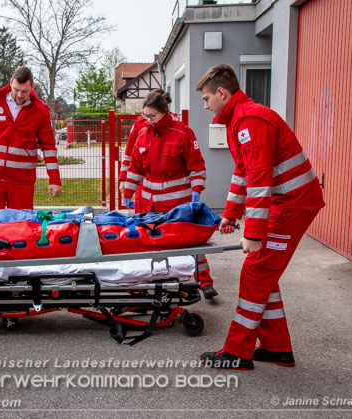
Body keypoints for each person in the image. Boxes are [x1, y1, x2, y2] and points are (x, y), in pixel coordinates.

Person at [196, 64, 325, 370]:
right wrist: (230, 215)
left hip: (292, 206)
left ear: (221, 93)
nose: (205, 105)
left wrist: (252, 233)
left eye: (206, 98)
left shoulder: (249, 120)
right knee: (264, 275)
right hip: (286, 203)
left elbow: (259, 178)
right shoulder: (238, 121)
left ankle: (238, 352)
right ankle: (278, 349)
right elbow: (242, 172)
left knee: (255, 273)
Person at [123, 90, 218, 298]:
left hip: (178, 203)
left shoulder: (183, 133)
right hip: (150, 204)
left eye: (152, 116)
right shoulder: (143, 134)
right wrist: (128, 190)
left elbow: (196, 166)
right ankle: (156, 283)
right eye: (145, 116)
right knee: (151, 244)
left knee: (191, 242)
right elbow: (136, 168)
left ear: (164, 112)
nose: (148, 120)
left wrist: (197, 189)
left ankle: (205, 281)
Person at [0, 66, 62, 212]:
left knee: (21, 227)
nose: (20, 95)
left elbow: (48, 148)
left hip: (22, 181)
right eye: (16, 89)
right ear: (10, 83)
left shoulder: (41, 111)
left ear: (32, 87)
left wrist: (54, 180)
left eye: (24, 91)